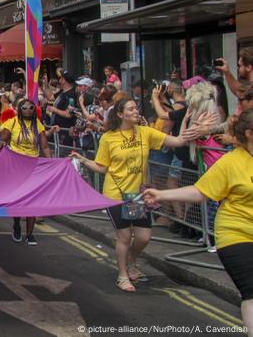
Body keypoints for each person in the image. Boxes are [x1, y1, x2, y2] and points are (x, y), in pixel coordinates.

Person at [70, 98, 200, 292]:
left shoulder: (145, 133)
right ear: (120, 114)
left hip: (137, 196)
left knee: (143, 237)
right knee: (124, 237)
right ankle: (123, 275)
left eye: (136, 107)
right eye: (130, 108)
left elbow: (178, 141)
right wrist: (82, 160)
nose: (136, 111)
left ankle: (131, 259)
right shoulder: (108, 138)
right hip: (116, 194)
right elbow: (102, 168)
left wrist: (187, 120)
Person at [143, 108, 253, 335]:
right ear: (250, 133)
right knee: (252, 291)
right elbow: (200, 191)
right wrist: (162, 195)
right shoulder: (231, 162)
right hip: (236, 233)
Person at [0, 99, 55, 246]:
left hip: (33, 167)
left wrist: (52, 164)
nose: (28, 110)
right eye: (25, 107)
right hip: (16, 167)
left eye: (31, 107)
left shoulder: (38, 125)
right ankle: (16, 224)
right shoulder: (13, 122)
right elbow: (1, 138)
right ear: (19, 109)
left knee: (32, 200)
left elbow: (45, 146)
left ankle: (29, 234)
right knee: (18, 200)